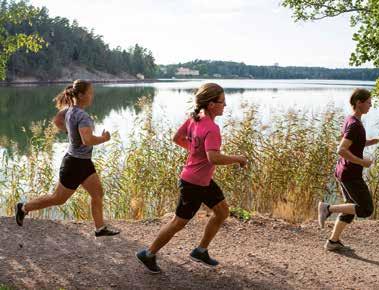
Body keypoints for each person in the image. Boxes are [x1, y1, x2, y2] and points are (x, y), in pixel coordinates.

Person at [136, 83, 247, 273]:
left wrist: (196, 152)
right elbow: (214, 157)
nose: (225, 105)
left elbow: (177, 138)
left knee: (222, 212)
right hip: (194, 184)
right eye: (222, 102)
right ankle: (148, 253)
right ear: (211, 104)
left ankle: (200, 251)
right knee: (178, 222)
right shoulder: (211, 128)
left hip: (202, 180)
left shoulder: (194, 119)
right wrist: (238, 159)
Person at [15, 79, 120, 237]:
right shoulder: (83, 116)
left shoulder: (69, 110)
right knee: (57, 198)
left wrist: (71, 133)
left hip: (83, 162)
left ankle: (100, 228)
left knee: (97, 193)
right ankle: (23, 207)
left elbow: (57, 121)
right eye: (90, 93)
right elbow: (88, 140)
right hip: (74, 164)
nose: (92, 96)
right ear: (81, 95)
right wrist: (104, 138)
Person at [318, 88, 379, 250]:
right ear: (359, 103)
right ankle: (328, 208)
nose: (371, 105)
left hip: (344, 171)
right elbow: (341, 149)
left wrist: (377, 140)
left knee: (350, 207)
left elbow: (355, 143)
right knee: (365, 209)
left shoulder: (351, 120)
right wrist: (362, 162)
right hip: (350, 174)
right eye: (368, 102)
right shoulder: (355, 125)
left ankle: (333, 242)